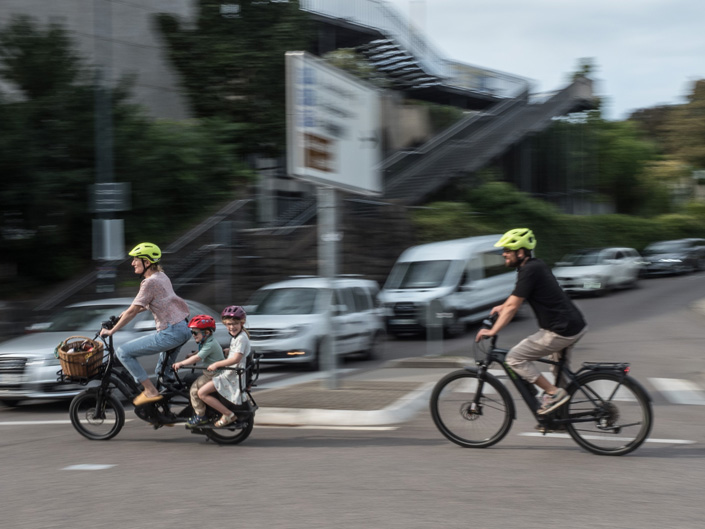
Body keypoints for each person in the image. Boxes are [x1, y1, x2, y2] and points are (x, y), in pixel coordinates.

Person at [475, 228, 587, 416]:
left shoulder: (529, 270)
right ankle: (560, 417)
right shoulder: (534, 266)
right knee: (558, 371)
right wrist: (503, 306)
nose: (504, 254)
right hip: (574, 325)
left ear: (521, 252)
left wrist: (493, 331)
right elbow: (515, 298)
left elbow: (514, 307)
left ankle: (554, 394)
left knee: (514, 358)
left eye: (507, 251)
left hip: (560, 330)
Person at [100, 242, 191, 407]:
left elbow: (134, 310)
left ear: (147, 262)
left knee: (123, 352)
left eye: (136, 260)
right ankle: (165, 411)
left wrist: (112, 330)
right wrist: (122, 315)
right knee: (163, 373)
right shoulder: (162, 277)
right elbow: (148, 304)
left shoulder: (149, 282)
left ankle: (150, 391)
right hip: (183, 328)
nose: (132, 263)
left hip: (171, 332)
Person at [197, 305, 252, 427]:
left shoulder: (241, 338)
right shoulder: (239, 336)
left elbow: (236, 358)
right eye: (228, 324)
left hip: (231, 375)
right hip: (232, 372)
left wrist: (216, 364)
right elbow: (236, 352)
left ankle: (228, 414)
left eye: (234, 324)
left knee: (202, 393)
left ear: (242, 323)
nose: (231, 327)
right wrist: (226, 350)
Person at [172, 315, 225, 427]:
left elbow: (198, 358)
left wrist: (181, 363)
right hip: (211, 373)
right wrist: (192, 354)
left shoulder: (210, 344)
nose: (193, 335)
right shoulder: (207, 342)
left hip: (213, 374)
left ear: (206, 333)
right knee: (190, 379)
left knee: (194, 391)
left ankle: (201, 416)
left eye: (195, 333)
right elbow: (200, 351)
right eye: (192, 332)